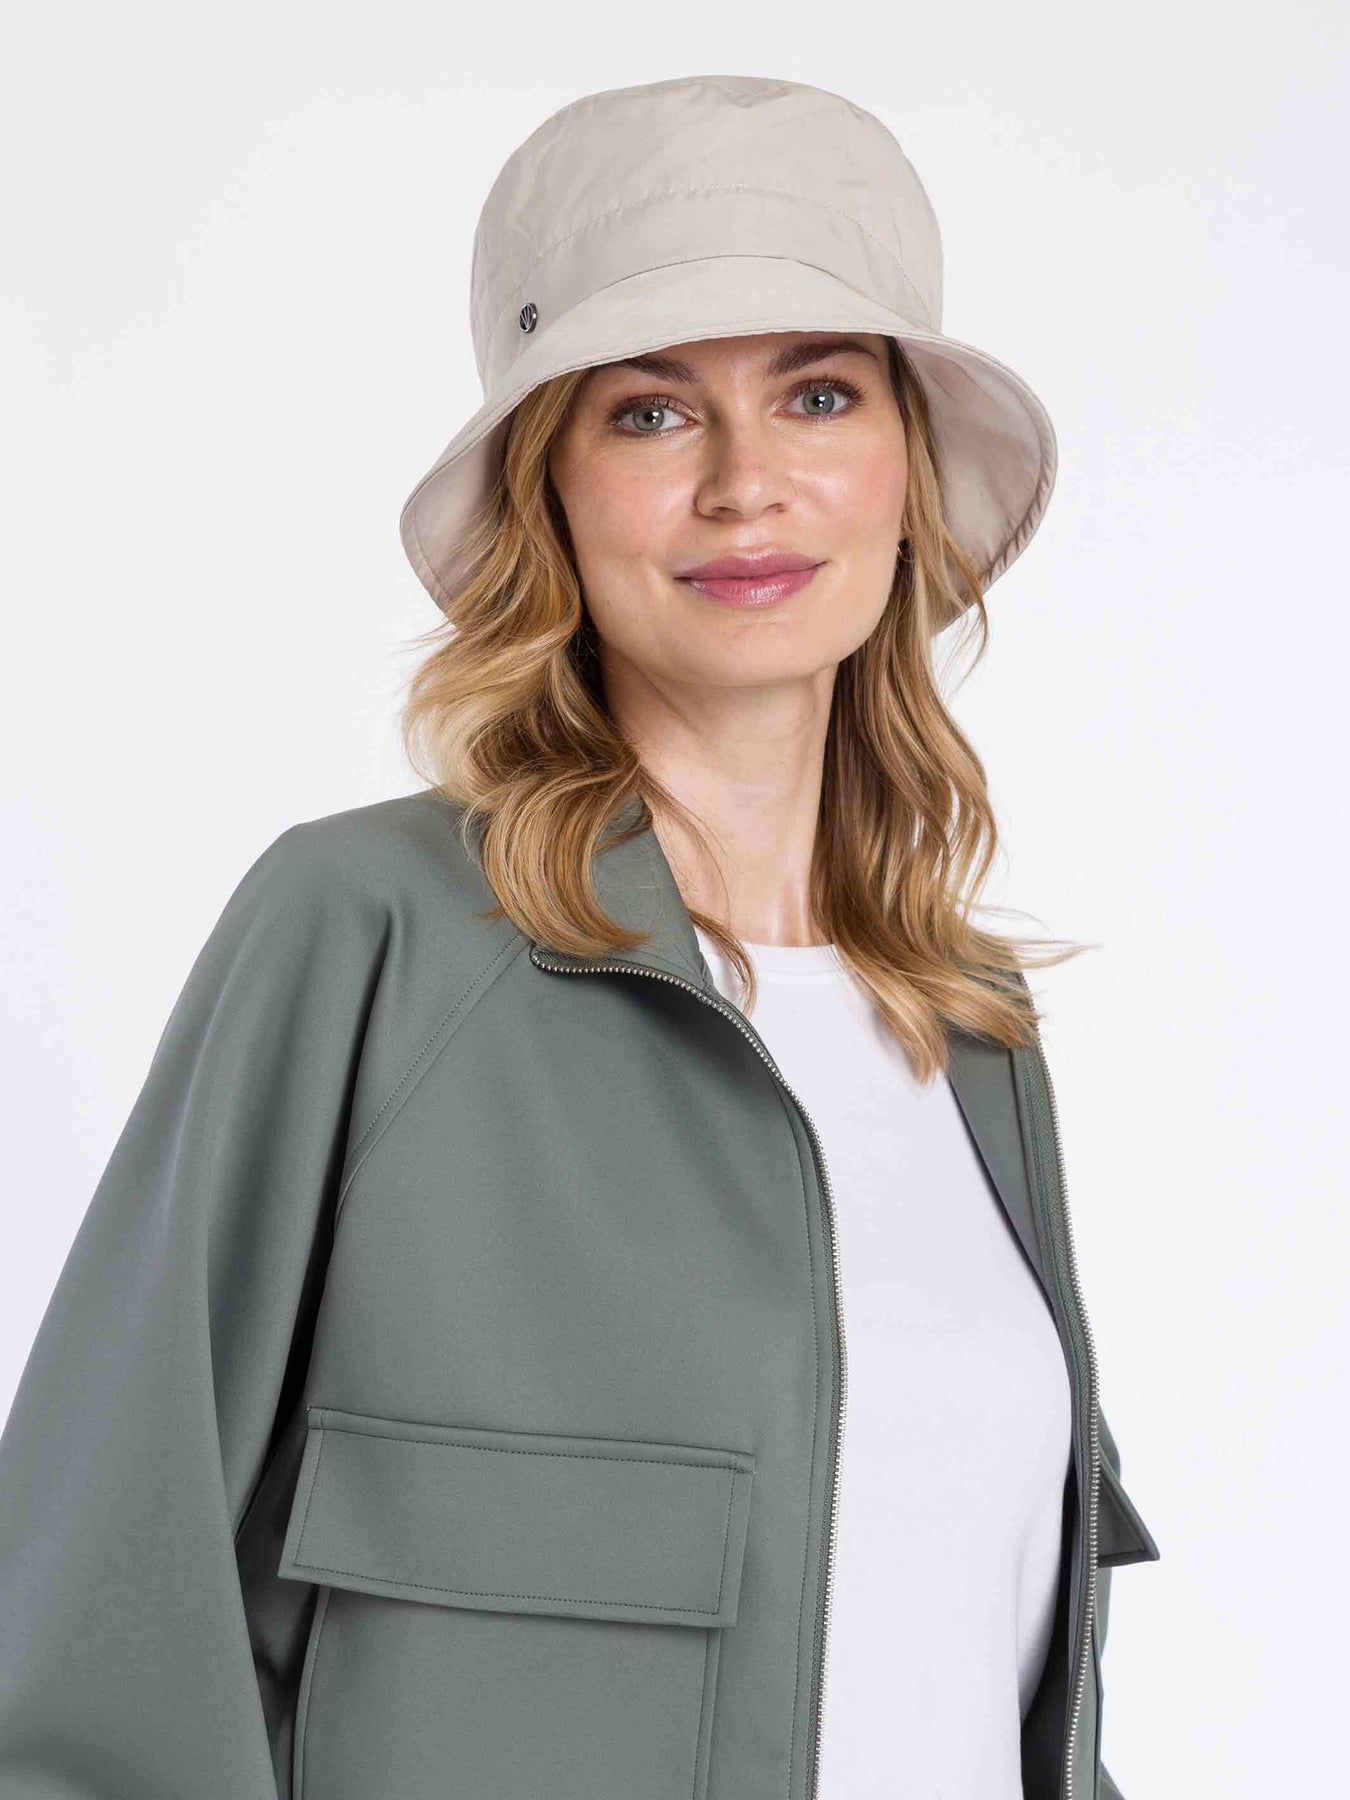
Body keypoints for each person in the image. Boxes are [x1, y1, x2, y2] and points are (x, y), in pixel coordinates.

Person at [0, 72, 1160, 1800]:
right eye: (649, 413)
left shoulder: (963, 1025)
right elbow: (92, 1636)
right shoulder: (374, 934)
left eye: (818, 394)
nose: (746, 486)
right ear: (548, 490)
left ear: (904, 471)